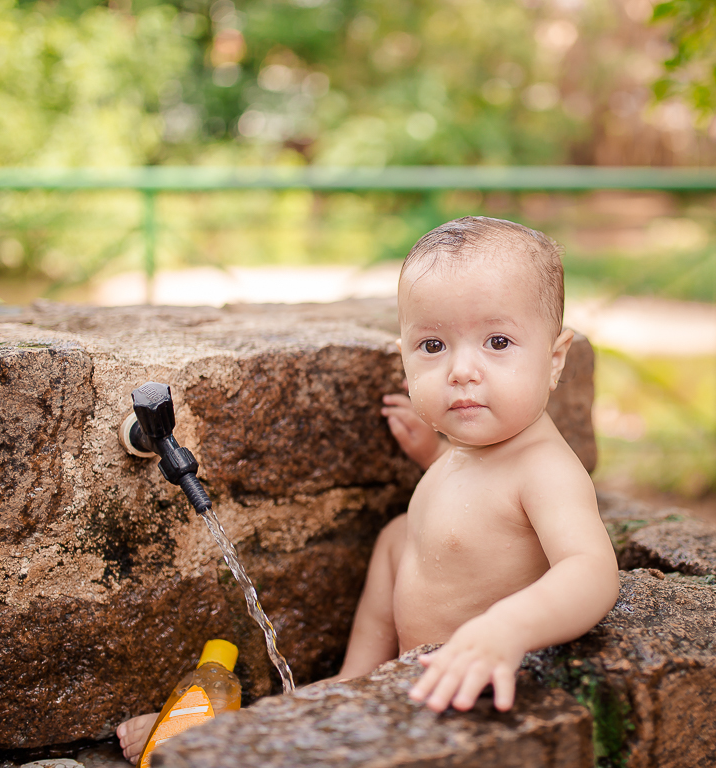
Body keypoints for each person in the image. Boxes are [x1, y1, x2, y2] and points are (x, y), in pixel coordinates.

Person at [118, 216, 619, 763]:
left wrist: (506, 631)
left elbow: (591, 571)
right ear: (402, 357)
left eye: (497, 341)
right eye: (433, 345)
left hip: (460, 691)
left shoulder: (545, 468)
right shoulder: (474, 447)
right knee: (397, 536)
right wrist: (431, 456)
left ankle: (220, 739)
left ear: (554, 358)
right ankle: (343, 685)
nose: (462, 370)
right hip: (396, 679)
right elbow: (474, 505)